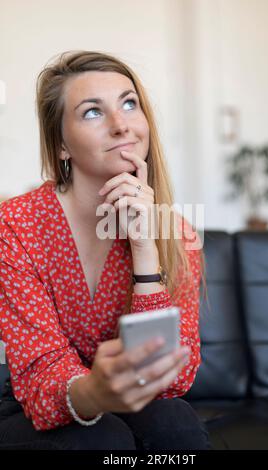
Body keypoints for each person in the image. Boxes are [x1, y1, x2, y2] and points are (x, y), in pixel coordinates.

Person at [0, 50, 210, 450]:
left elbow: (171, 380)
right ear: (61, 145)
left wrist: (145, 248)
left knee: (176, 423)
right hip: (36, 407)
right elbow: (42, 379)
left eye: (129, 104)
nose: (121, 126)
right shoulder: (15, 226)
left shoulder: (176, 233)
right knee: (101, 436)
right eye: (93, 112)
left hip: (136, 404)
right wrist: (95, 390)